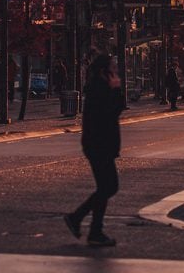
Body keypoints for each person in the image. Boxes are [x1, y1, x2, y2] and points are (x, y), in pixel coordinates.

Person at [64, 53, 123, 248]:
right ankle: (85, 223)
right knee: (109, 186)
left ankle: (87, 224)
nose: (115, 69)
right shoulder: (100, 87)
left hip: (99, 144)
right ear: (103, 70)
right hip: (99, 145)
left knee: (106, 187)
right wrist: (115, 90)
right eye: (112, 66)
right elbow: (110, 111)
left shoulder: (99, 85)